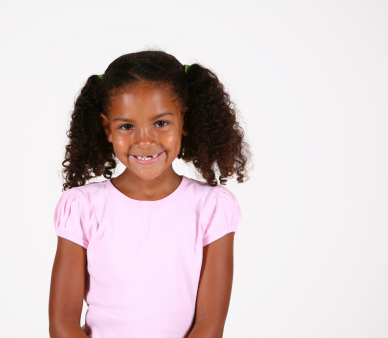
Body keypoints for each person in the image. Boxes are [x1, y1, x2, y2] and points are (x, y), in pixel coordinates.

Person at [49, 50, 251, 338]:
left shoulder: (211, 207)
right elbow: (63, 322)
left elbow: (210, 323)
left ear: (184, 121)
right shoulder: (82, 207)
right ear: (108, 128)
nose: (144, 140)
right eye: (127, 126)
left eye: (161, 123)